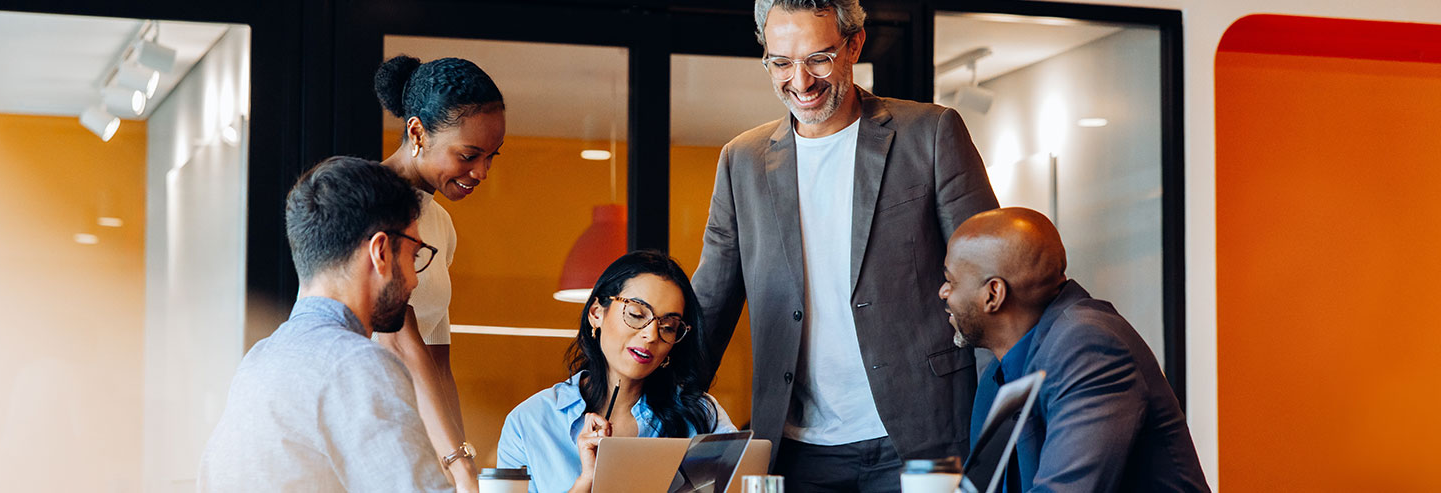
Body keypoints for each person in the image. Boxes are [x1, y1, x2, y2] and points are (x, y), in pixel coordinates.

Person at [691, 0, 999, 490]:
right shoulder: (741, 162)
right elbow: (709, 305)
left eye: (818, 58)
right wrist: (646, 407)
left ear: (854, 45)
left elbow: (989, 281)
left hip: (926, 435)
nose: (800, 81)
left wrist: (995, 425)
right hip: (797, 448)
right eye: (781, 62)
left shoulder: (930, 134)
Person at [198, 156, 449, 492]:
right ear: (380, 252)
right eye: (414, 256)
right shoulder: (357, 364)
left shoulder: (258, 360)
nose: (415, 281)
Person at [938, 207, 1208, 492]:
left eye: (950, 281)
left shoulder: (1088, 347)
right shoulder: (1000, 371)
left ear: (993, 294)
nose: (943, 292)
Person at [372, 54, 508, 491]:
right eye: (469, 155)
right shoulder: (366, 202)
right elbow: (399, 337)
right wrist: (458, 464)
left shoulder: (440, 224)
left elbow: (438, 361)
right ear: (417, 133)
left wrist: (460, 463)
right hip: (364, 428)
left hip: (413, 438)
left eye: (491, 156)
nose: (482, 172)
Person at [497, 251, 737, 493]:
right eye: (636, 315)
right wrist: (587, 480)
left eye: (668, 327)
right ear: (596, 313)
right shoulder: (530, 422)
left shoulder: (700, 415)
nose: (651, 335)